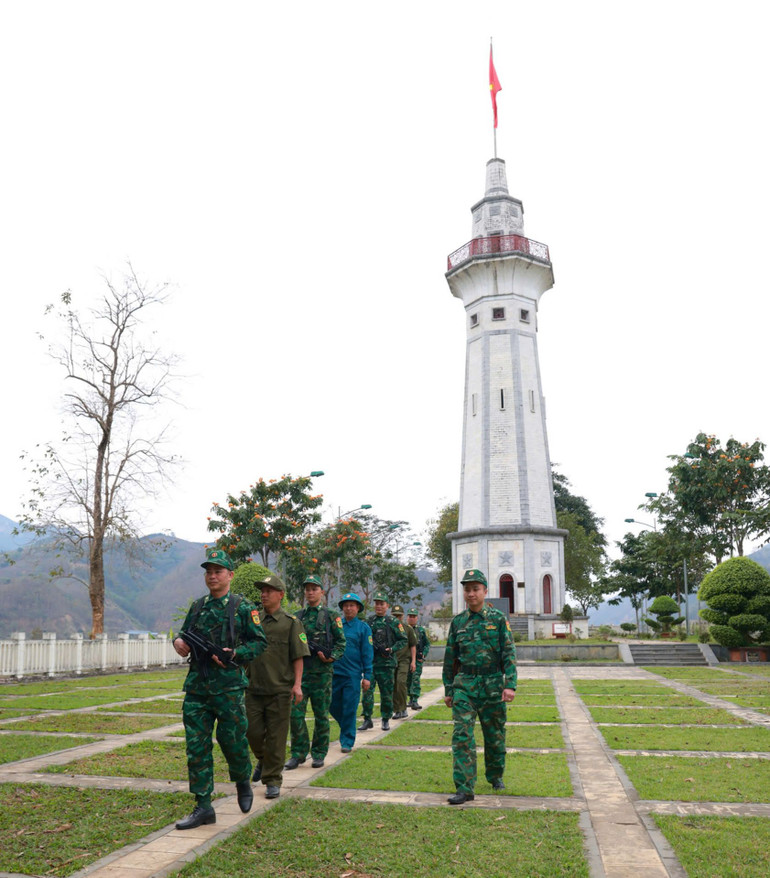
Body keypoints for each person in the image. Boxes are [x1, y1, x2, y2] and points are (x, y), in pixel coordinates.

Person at [172, 548, 268, 830]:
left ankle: (242, 782)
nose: (212, 576)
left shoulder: (242, 606)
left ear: (230, 575)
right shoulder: (198, 606)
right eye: (209, 572)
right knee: (196, 747)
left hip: (228, 689)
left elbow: (260, 642)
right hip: (197, 689)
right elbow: (183, 634)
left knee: (233, 742)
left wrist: (235, 653)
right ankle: (203, 806)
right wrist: (178, 643)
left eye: (218, 571)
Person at [442, 569, 516, 805]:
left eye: (475, 589)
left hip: (493, 684)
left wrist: (510, 685)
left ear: (485, 591)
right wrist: (448, 689)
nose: (471, 593)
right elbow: (450, 658)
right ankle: (464, 788)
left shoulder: (497, 619)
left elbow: (509, 653)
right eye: (467, 589)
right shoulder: (458, 622)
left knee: (494, 735)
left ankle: (495, 775)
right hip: (465, 685)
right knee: (462, 734)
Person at [244, 573, 309, 799]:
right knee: (251, 732)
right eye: (262, 591)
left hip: (280, 690)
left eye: (268, 591)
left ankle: (272, 780)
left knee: (276, 738)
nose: (263, 594)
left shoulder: (291, 623)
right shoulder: (253, 621)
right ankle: (264, 760)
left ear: (280, 595)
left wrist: (297, 685)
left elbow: (298, 656)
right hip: (252, 689)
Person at [286, 575, 347, 770]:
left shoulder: (331, 616)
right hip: (300, 676)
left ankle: (319, 753)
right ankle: (298, 753)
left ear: (322, 591)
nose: (310, 592)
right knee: (295, 715)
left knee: (321, 715)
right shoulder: (297, 617)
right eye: (308, 589)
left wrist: (331, 657)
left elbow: (341, 642)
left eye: (314, 588)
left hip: (322, 674)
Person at [330, 592, 373, 752]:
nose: (348, 608)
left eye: (352, 605)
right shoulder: (336, 624)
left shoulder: (363, 628)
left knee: (349, 707)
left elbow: (367, 653)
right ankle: (347, 727)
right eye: (346, 605)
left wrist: (367, 676)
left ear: (357, 608)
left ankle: (347, 741)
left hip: (352, 675)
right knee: (331, 705)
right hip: (334, 673)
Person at [359, 592, 407, 731]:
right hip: (371, 664)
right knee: (367, 692)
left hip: (387, 664)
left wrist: (391, 649)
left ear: (387, 606)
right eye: (377, 603)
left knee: (386, 694)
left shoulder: (393, 622)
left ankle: (385, 719)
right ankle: (367, 719)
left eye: (382, 603)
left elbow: (403, 639)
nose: (378, 606)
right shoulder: (369, 622)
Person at [391, 604, 416, 719]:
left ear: (402, 616)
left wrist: (413, 661)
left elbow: (413, 645)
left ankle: (403, 708)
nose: (397, 618)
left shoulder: (408, 629)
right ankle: (397, 710)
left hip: (404, 660)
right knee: (393, 685)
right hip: (391, 660)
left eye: (399, 616)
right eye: (394, 616)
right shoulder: (388, 627)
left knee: (401, 682)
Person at [406, 607, 430, 710]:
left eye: (414, 616)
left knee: (415, 680)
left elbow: (427, 644)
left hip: (418, 660)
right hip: (406, 659)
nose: (412, 618)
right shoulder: (404, 630)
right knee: (408, 680)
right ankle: (410, 699)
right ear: (407, 617)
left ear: (417, 618)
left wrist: (423, 654)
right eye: (410, 616)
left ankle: (415, 700)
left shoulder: (421, 630)